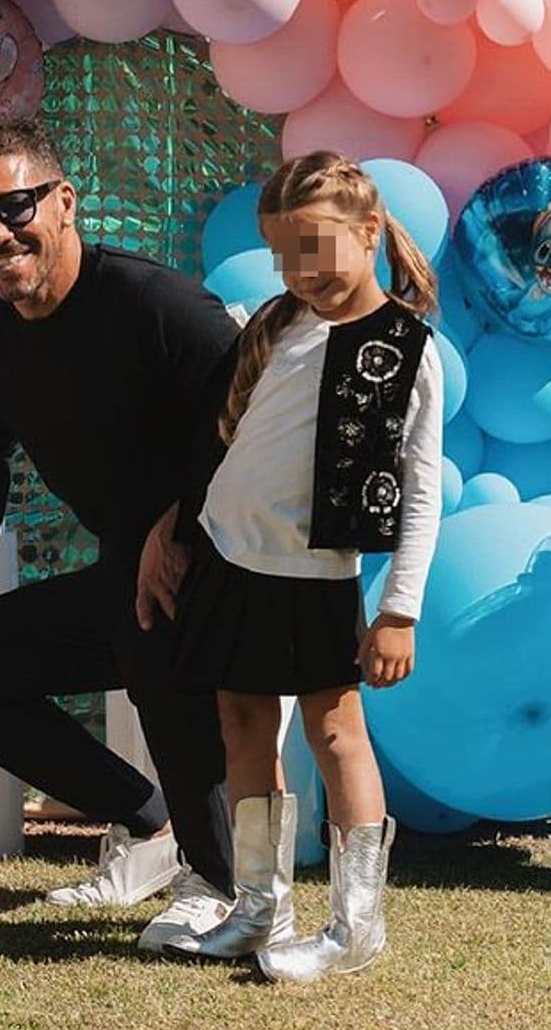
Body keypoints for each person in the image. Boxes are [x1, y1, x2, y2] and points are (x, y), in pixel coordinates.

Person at [0, 114, 240, 953]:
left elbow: (250, 419)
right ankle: (147, 823)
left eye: (13, 207)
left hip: (227, 565)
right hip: (128, 569)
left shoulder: (156, 303)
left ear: (64, 201)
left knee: (148, 618)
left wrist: (180, 521)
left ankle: (220, 884)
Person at [163, 150, 442, 983]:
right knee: (242, 726)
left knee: (333, 732)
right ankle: (259, 906)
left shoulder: (404, 347)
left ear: (367, 232)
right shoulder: (281, 324)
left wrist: (399, 609)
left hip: (313, 576)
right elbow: (237, 438)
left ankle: (357, 926)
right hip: (228, 557)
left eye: (316, 248)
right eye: (287, 254)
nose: (302, 271)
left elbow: (422, 490)